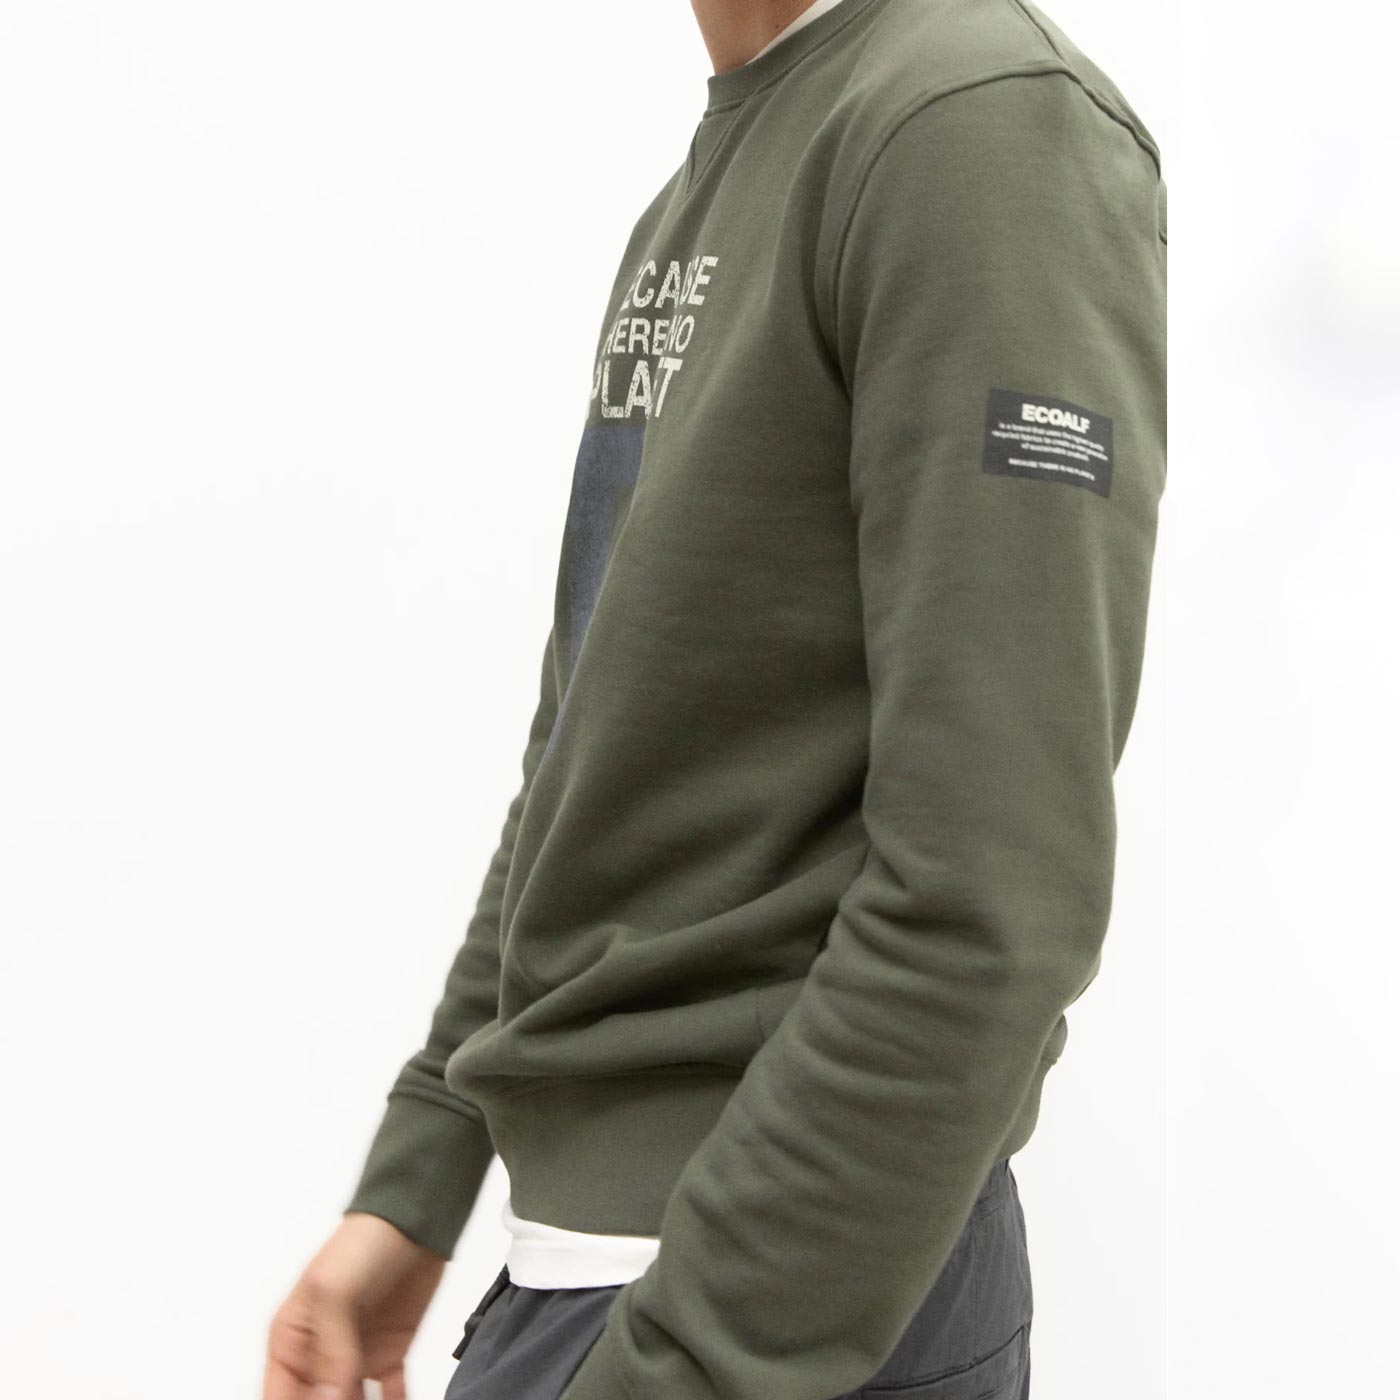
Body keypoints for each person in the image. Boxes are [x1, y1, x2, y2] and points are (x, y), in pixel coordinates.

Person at [263, 0, 1167, 1395]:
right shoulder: (729, 166)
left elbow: (996, 897)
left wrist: (686, 1361)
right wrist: (425, 1161)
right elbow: (589, 748)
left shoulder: (976, 121)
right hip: (601, 1283)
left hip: (767, 1306)